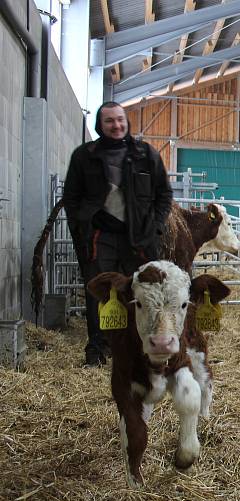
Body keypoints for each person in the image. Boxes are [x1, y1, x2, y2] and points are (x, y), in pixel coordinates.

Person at [63, 102, 173, 367]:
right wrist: (82, 227)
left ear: (127, 121)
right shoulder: (84, 156)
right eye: (110, 121)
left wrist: (156, 226)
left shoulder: (145, 154)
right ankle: (97, 350)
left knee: (145, 292)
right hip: (100, 234)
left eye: (120, 120)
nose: (117, 125)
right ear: (100, 125)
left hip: (139, 236)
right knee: (99, 291)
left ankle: (141, 348)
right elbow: (72, 197)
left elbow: (164, 195)